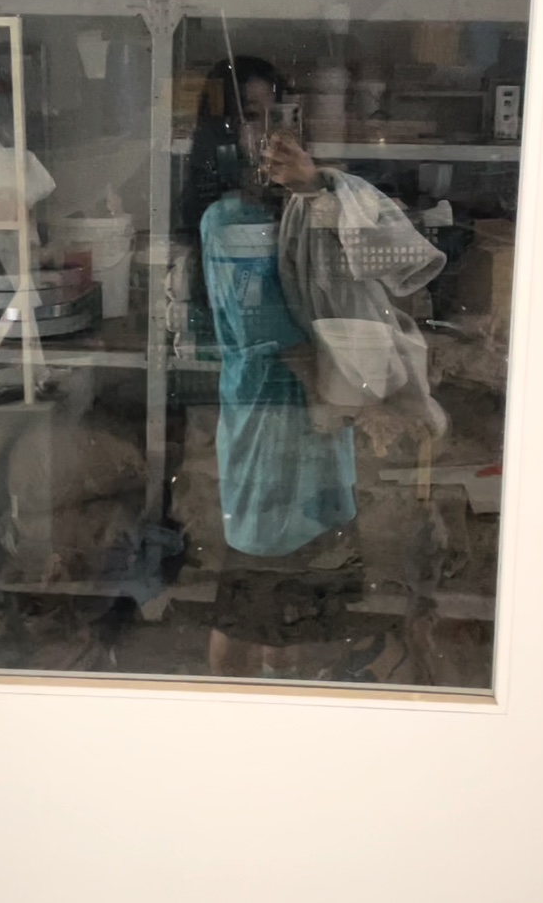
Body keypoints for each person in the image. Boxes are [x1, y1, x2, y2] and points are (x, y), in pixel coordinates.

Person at [190, 57, 362, 680]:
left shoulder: (306, 202)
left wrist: (312, 189)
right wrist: (338, 393)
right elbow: (265, 330)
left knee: (302, 604)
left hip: (318, 424)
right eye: (251, 118)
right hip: (270, 419)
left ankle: (282, 698)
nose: (266, 133)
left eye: (277, 116)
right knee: (251, 595)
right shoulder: (227, 220)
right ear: (224, 132)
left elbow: (355, 268)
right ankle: (229, 713)